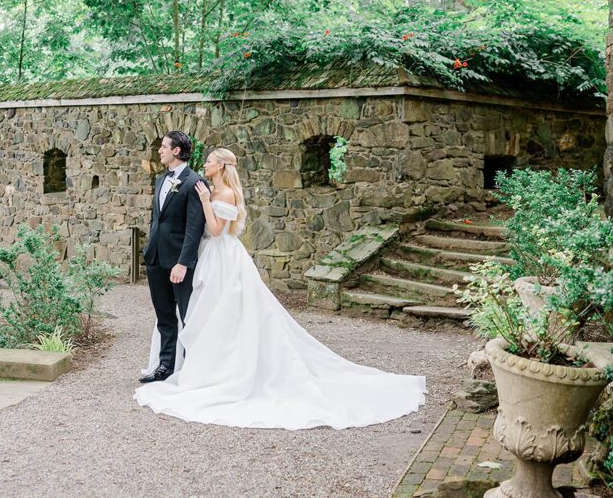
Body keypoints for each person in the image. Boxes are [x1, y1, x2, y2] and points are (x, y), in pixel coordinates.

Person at [135, 148, 426, 429]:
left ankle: (225, 371)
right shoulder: (211, 189)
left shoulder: (223, 193)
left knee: (224, 312)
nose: (206, 164)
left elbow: (214, 230)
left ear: (221, 166)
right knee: (209, 314)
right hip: (211, 256)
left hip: (222, 256)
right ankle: (205, 366)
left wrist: (204, 202)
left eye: (210, 161)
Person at [138, 131, 207, 384]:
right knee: (164, 316)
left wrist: (183, 263)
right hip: (155, 258)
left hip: (178, 263)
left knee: (188, 317)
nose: (160, 151)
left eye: (164, 147)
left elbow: (194, 228)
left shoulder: (194, 182)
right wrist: (149, 249)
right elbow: (156, 218)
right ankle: (165, 366)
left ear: (176, 151)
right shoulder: (159, 180)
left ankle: (191, 369)